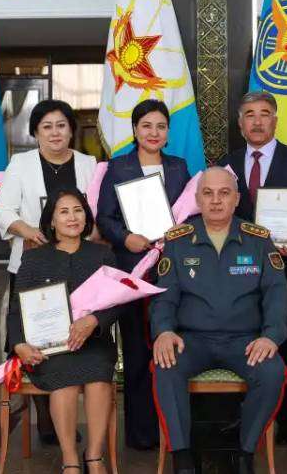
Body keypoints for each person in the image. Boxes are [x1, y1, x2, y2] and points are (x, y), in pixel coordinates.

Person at [151, 167, 287, 474]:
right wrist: (163, 332)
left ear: (237, 199)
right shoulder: (178, 240)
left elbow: (277, 294)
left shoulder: (258, 239)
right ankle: (182, 459)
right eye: (208, 193)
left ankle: (245, 453)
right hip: (191, 341)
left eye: (224, 193)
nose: (216, 200)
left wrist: (271, 335)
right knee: (165, 366)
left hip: (245, 341)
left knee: (272, 373)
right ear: (197, 198)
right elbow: (164, 296)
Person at [0, 99, 98, 442]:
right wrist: (30, 232)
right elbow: (3, 210)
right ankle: (46, 420)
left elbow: (94, 214)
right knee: (35, 336)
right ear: (36, 132)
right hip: (34, 263)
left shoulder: (88, 164)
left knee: (70, 337)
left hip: (77, 266)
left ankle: (64, 411)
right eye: (47, 127)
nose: (55, 133)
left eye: (61, 125)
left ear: (71, 130)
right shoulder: (20, 164)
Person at [219, 91, 287, 444]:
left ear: (275, 120)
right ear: (240, 123)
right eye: (250, 114)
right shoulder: (227, 163)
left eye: (264, 114)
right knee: (241, 335)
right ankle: (242, 416)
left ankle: (286, 418)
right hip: (237, 268)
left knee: (283, 338)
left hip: (284, 267)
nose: (258, 121)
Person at [95, 99, 191, 451]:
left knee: (172, 350)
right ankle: (142, 433)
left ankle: (174, 430)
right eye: (147, 126)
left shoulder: (179, 167)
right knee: (137, 352)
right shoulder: (118, 167)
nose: (154, 132)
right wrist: (126, 238)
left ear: (168, 133)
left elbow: (191, 214)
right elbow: (104, 217)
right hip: (132, 269)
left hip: (172, 270)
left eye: (161, 126)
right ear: (135, 130)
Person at [8, 190, 120, 473]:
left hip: (94, 343)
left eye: (78, 210)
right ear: (52, 221)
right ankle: (70, 460)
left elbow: (119, 303)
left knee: (98, 378)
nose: (72, 217)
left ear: (86, 216)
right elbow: (16, 310)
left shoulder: (103, 255)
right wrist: (19, 344)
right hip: (50, 348)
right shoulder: (34, 259)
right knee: (65, 381)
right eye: (64, 211)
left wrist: (94, 320)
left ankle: (94, 457)